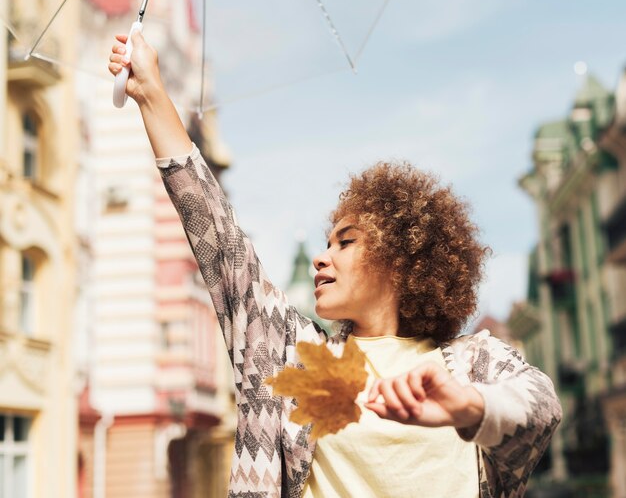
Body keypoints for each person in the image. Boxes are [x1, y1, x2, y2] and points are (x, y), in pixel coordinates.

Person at [108, 32, 562, 498]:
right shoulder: (294, 356)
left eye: (346, 242)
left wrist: (468, 405)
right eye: (326, 242)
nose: (322, 257)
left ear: (400, 262)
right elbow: (219, 238)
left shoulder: (475, 361)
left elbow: (541, 405)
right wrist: (151, 93)